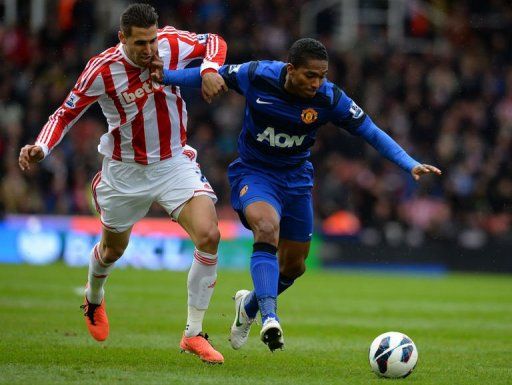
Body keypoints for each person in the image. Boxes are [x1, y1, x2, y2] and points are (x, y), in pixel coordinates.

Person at [151, 38, 442, 352]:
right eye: (310, 76)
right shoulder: (258, 75)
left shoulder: (330, 98)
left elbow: (369, 130)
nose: (317, 83)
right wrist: (164, 76)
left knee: (294, 266)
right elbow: (209, 76)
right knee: (266, 228)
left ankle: (247, 307)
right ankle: (269, 317)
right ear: (290, 70)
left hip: (296, 180)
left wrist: (408, 163)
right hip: (255, 172)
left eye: (322, 76)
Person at [18, 3, 228, 364]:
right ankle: (94, 296)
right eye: (139, 44)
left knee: (210, 234)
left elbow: (215, 41)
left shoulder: (171, 43)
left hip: (174, 162)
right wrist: (41, 146)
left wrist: (208, 68)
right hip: (125, 171)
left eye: (152, 41)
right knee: (113, 250)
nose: (149, 50)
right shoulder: (101, 69)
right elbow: (65, 112)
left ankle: (193, 334)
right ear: (122, 39)